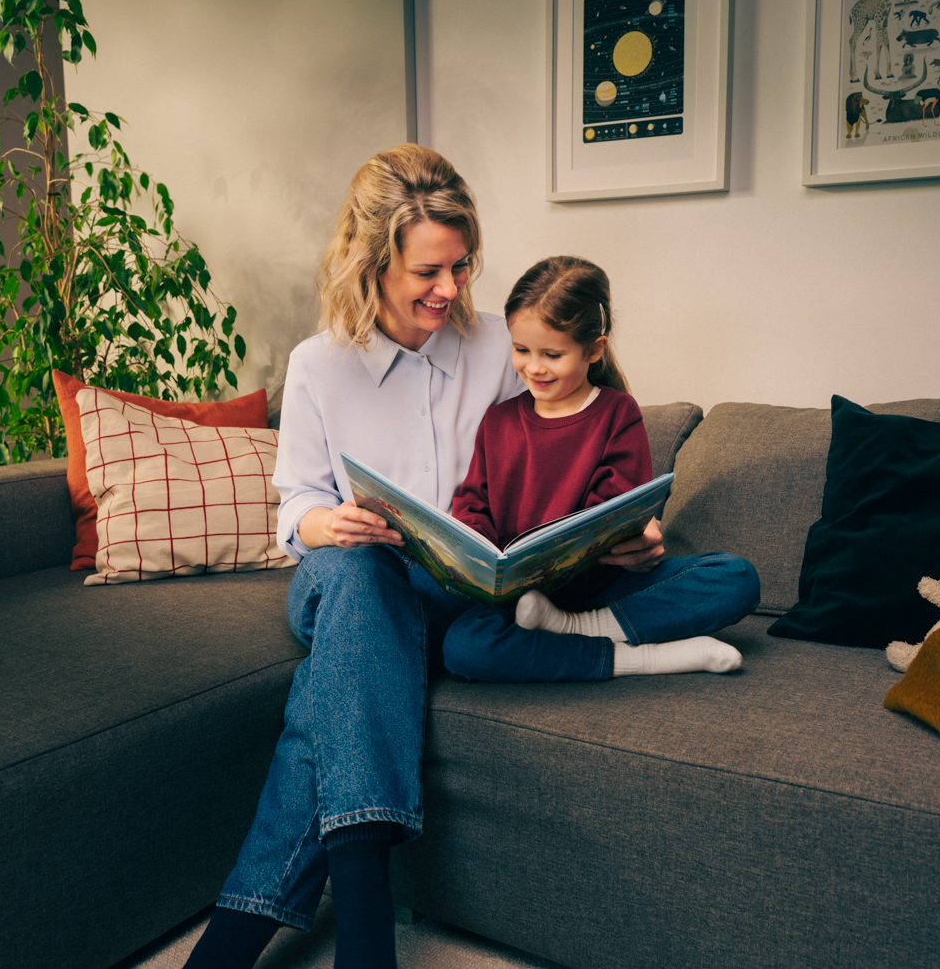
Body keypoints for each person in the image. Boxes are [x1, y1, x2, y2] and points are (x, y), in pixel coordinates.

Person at [181, 149, 670, 969]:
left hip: (451, 591)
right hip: (343, 573)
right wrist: (325, 522)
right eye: (428, 270)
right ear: (372, 263)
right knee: (358, 575)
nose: (450, 287)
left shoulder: (493, 351)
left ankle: (234, 944)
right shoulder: (316, 365)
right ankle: (365, 908)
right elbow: (293, 502)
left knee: (327, 698)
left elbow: (557, 455)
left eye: (461, 264)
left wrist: (618, 538)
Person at [443, 255, 760, 681]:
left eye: (552, 354)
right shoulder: (498, 421)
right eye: (521, 350)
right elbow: (472, 504)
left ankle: (578, 631)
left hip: (602, 586)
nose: (533, 367)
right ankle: (635, 658)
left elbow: (612, 511)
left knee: (735, 577)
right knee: (464, 647)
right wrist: (478, 554)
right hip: (521, 597)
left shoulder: (617, 413)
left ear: (594, 349)